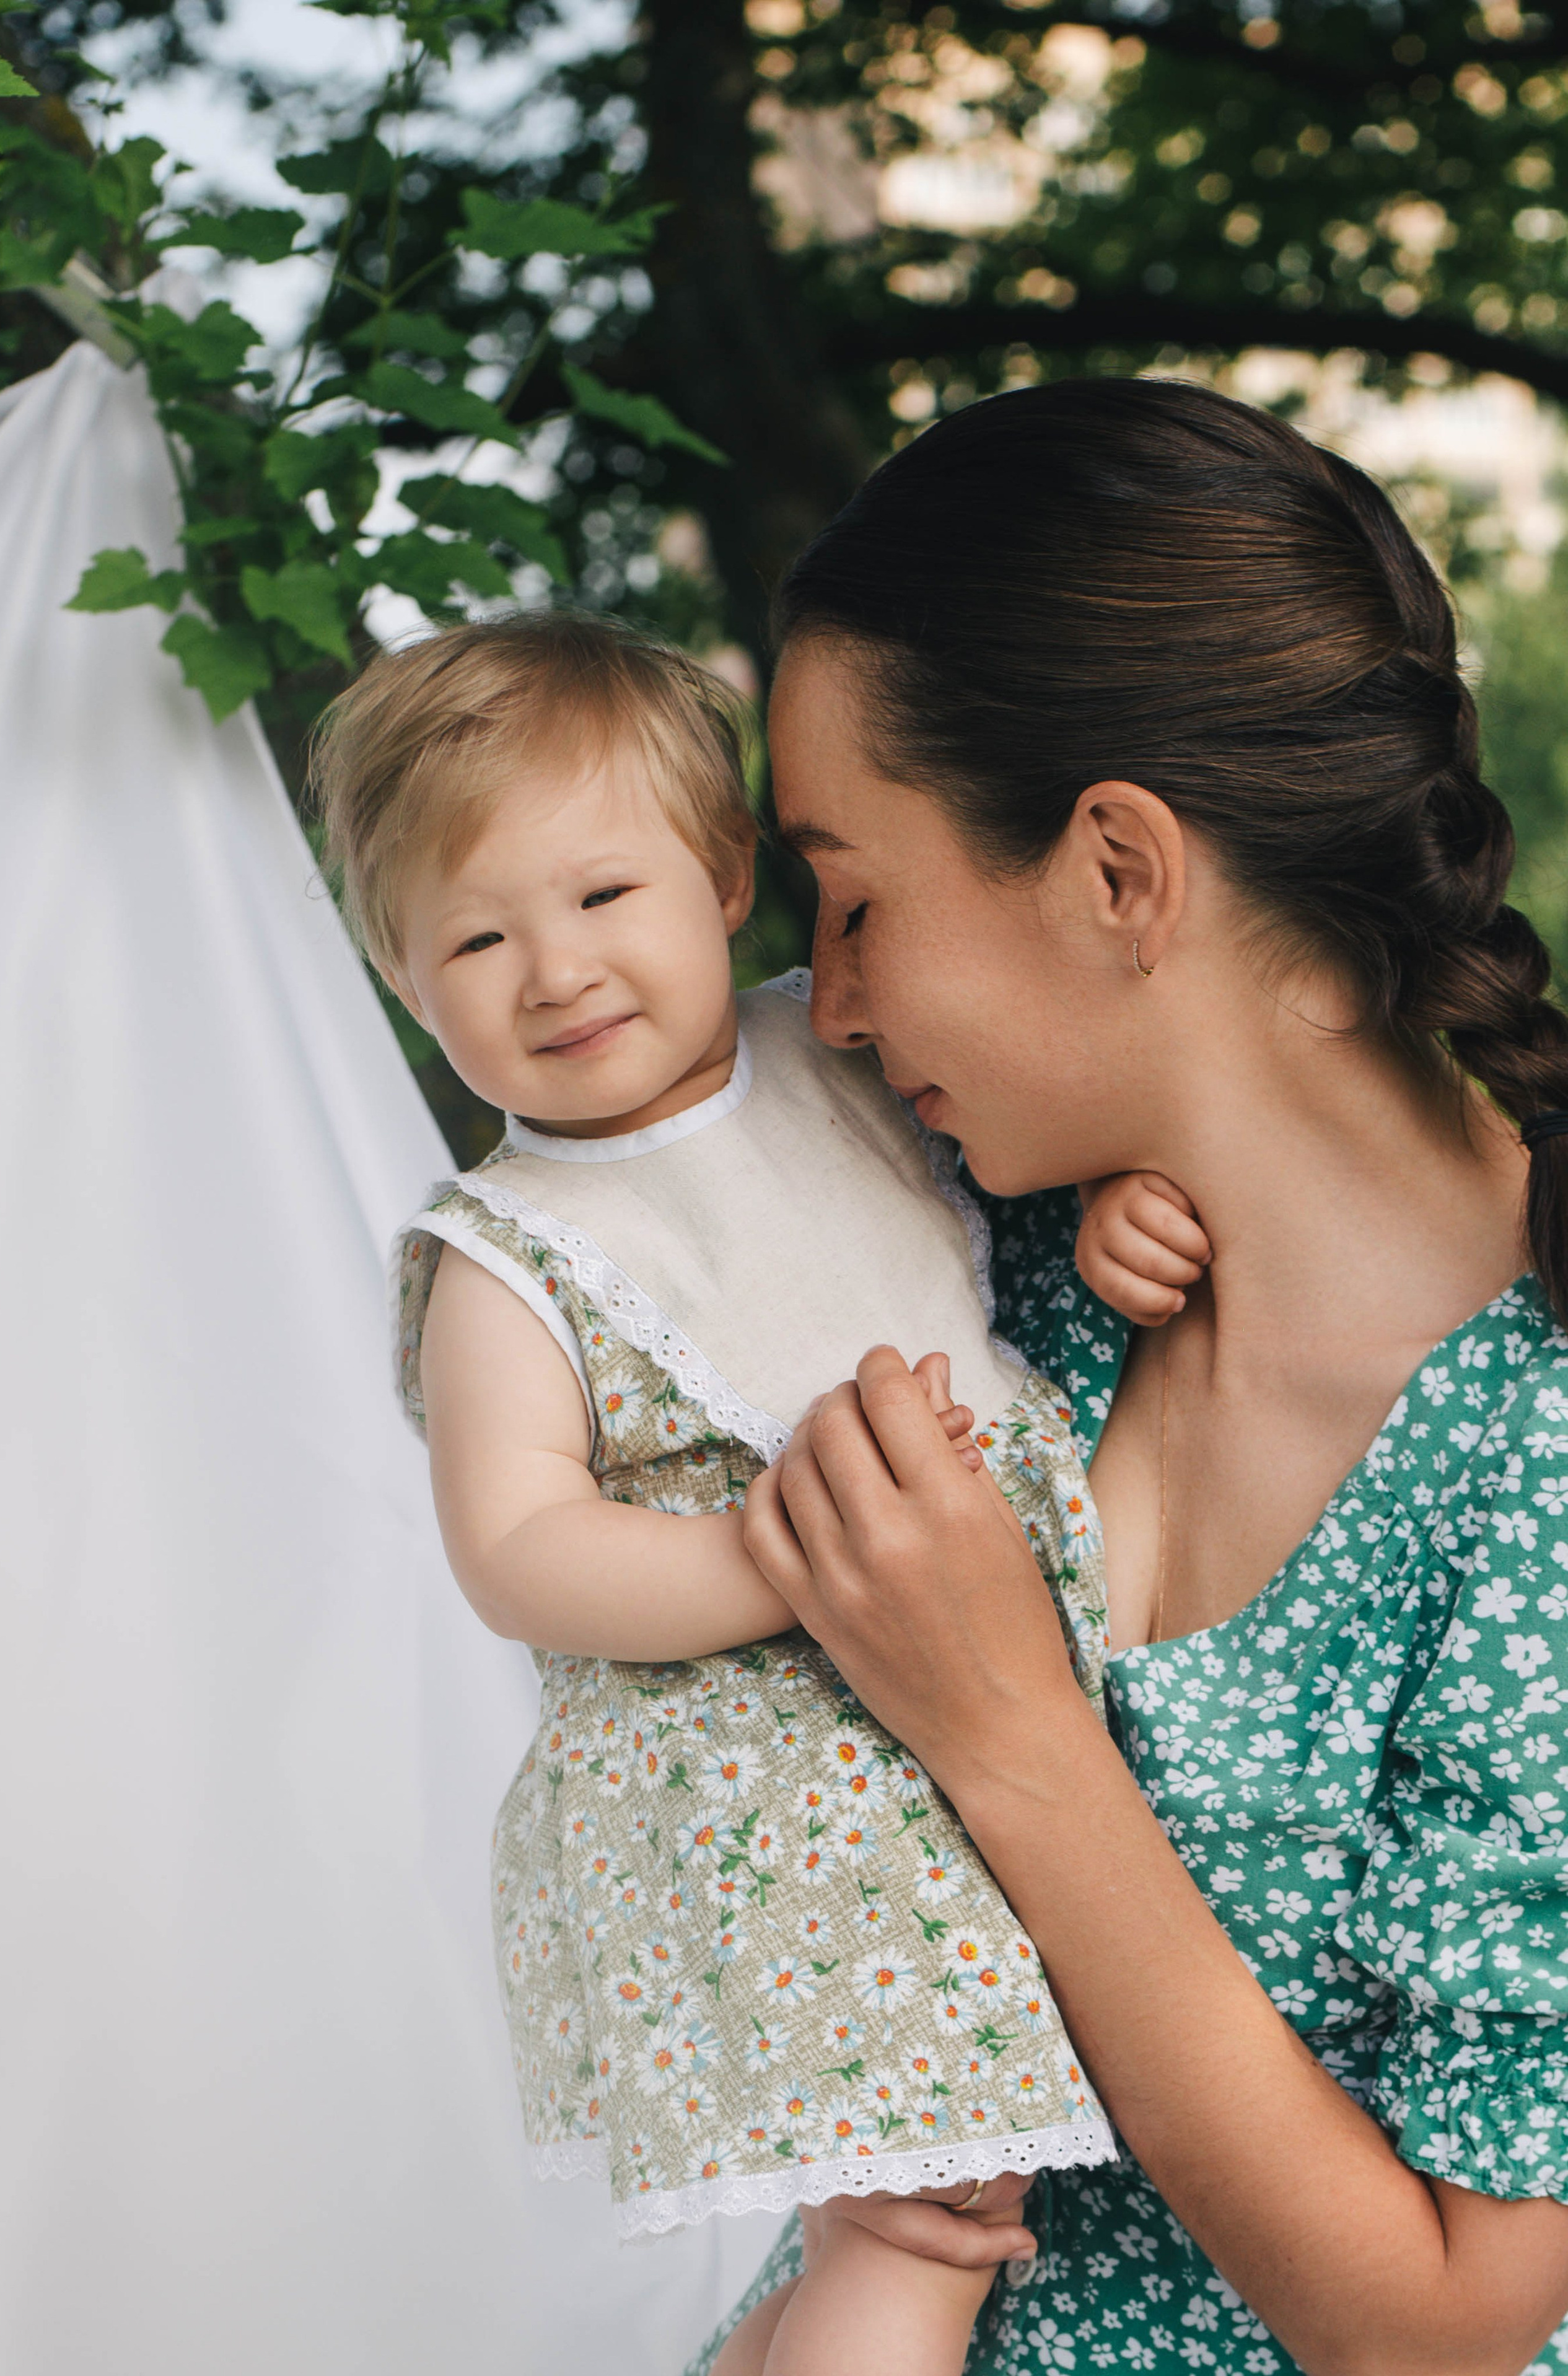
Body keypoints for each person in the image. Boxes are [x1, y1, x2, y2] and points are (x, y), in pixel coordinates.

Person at [695, 376, 1568, 2376]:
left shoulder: (1535, 1451)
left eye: (856, 895)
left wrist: (1014, 1732)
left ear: (1118, 872)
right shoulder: (990, 1249)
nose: (822, 995)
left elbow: (1447, 2326)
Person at [309, 615, 1204, 2376]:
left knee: (896, 2228)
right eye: (475, 938)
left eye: (599, 898)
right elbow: (518, 1548)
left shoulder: (847, 1059)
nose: (552, 969)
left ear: (729, 878)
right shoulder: (517, 1251)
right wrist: (771, 1555)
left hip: (931, 1740)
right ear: (412, 989)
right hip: (773, 1794)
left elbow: (999, 1224)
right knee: (923, 2240)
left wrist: (1105, 1223)